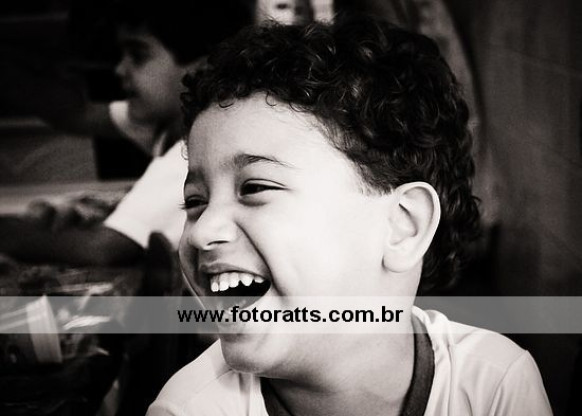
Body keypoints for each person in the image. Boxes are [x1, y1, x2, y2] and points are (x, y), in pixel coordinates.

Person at [147, 16, 552, 416]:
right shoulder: (187, 409)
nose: (202, 231)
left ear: (403, 226)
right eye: (195, 202)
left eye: (254, 188)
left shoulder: (494, 386)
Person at [0, 0, 253, 265]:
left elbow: (101, 249)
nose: (120, 69)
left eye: (138, 55)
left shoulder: (199, 151)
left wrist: (8, 233)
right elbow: (78, 113)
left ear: (201, 70)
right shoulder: (170, 122)